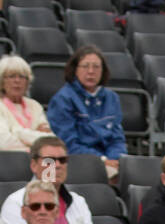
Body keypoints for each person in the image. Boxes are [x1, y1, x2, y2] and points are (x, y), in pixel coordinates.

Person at [0, 136, 105, 224]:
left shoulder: (79, 202)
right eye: (50, 161)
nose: (58, 165)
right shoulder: (16, 202)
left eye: (62, 160)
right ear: (34, 165)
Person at [45, 47, 126, 182]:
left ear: (103, 71)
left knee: (136, 174)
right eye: (85, 66)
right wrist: (103, 160)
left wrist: (115, 158)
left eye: (96, 67)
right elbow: (67, 143)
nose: (91, 71)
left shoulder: (112, 98)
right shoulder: (63, 99)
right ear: (75, 69)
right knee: (113, 177)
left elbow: (117, 138)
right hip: (78, 160)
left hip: (110, 160)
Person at [0, 56, 52, 151]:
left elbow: (49, 139)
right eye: (11, 76)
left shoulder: (35, 106)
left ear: (28, 82)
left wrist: (18, 133)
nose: (17, 81)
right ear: (2, 82)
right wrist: (34, 138)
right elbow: (4, 143)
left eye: (22, 76)